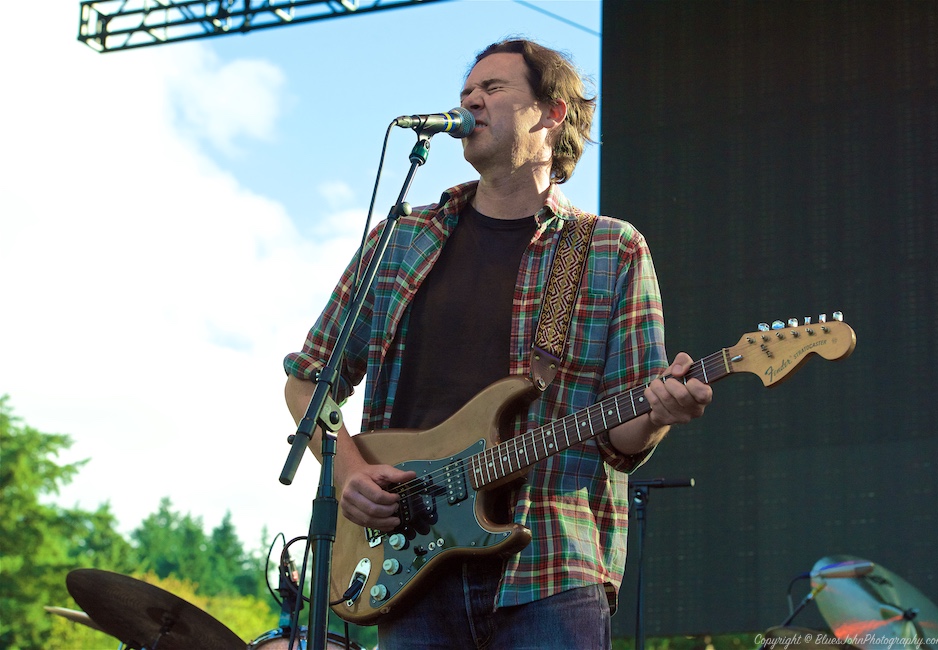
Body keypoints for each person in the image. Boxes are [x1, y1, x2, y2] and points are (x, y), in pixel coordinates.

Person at [284, 38, 713, 650]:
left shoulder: (609, 249)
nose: (471, 102)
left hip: (551, 567)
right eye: (465, 94)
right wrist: (348, 469)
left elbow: (622, 438)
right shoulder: (402, 239)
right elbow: (308, 378)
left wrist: (661, 413)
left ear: (553, 112)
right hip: (406, 566)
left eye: (493, 89)